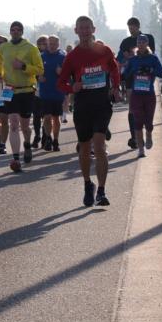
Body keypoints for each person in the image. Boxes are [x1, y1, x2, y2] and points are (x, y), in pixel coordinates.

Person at [58, 16, 122, 207]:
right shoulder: (72, 56)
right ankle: (88, 185)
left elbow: (114, 69)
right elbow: (60, 83)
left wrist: (116, 87)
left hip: (102, 105)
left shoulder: (104, 51)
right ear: (76, 30)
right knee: (85, 148)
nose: (85, 31)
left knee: (100, 147)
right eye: (81, 28)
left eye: (88, 28)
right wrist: (72, 88)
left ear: (93, 29)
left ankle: (102, 191)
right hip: (83, 107)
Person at [0, 21, 44, 172]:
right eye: (13, 30)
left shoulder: (31, 48)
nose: (15, 32)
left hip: (27, 90)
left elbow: (39, 69)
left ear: (22, 32)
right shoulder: (4, 47)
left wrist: (23, 66)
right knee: (13, 124)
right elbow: (0, 65)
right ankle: (16, 158)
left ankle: (27, 144)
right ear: (10, 32)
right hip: (9, 90)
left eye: (18, 30)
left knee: (24, 125)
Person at [118, 17, 158, 150]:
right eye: (129, 27)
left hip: (146, 80)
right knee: (132, 108)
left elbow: (151, 53)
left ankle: (147, 132)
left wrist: (134, 55)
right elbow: (119, 58)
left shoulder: (148, 37)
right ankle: (134, 136)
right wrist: (125, 59)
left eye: (133, 27)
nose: (131, 29)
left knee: (146, 109)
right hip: (131, 79)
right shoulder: (125, 42)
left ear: (138, 26)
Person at [122, 35, 162, 157]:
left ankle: (149, 134)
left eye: (143, 42)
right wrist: (133, 71)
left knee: (149, 122)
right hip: (136, 95)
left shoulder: (153, 59)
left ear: (147, 44)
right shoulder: (133, 60)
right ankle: (141, 149)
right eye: (139, 42)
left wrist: (150, 70)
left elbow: (161, 73)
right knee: (138, 122)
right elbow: (125, 74)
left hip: (149, 95)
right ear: (137, 44)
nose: (140, 44)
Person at [37, 36, 66, 151]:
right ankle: (48, 138)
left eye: (54, 43)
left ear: (58, 44)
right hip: (45, 92)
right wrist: (38, 77)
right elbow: (35, 71)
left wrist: (61, 73)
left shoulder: (63, 57)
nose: (52, 45)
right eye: (50, 43)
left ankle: (56, 140)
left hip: (58, 92)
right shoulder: (41, 56)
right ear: (47, 44)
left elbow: (69, 74)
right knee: (47, 117)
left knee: (56, 118)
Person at [31, 35, 48, 148]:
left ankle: (45, 137)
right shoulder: (34, 56)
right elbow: (30, 70)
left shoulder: (51, 55)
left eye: (44, 43)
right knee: (36, 116)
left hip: (48, 90)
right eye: (40, 43)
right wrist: (37, 78)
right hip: (36, 90)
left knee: (46, 116)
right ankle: (37, 135)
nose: (42, 45)